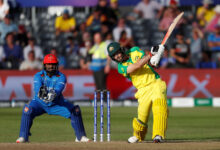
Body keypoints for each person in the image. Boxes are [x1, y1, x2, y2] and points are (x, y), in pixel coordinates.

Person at [16, 54, 90, 143]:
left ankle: (80, 137)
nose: (51, 66)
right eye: (48, 64)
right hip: (39, 103)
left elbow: (59, 88)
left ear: (56, 65)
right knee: (27, 110)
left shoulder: (61, 76)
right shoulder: (38, 75)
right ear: (44, 65)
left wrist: (54, 93)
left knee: (76, 110)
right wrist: (40, 92)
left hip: (56, 103)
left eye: (53, 64)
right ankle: (23, 137)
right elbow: (37, 87)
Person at [107, 42, 168, 143]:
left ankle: (158, 135)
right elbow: (137, 66)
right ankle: (138, 136)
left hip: (155, 82)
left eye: (117, 53)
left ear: (121, 50)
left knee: (159, 107)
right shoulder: (120, 68)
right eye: (114, 55)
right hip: (142, 90)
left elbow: (149, 63)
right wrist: (151, 55)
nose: (117, 56)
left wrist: (156, 57)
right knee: (142, 117)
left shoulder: (135, 50)